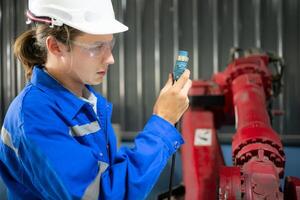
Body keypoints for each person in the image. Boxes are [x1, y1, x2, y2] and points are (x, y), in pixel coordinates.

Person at [0, 0, 191, 199]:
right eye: (97, 46)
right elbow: (102, 194)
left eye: (110, 44)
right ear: (55, 46)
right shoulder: (35, 115)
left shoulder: (88, 102)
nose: (110, 58)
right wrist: (163, 121)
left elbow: (109, 174)